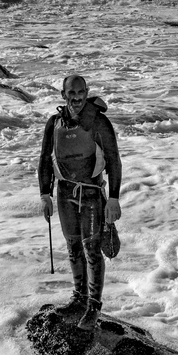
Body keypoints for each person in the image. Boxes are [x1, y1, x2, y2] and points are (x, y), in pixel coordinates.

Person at [38, 73, 122, 330]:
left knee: (91, 250)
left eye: (80, 93)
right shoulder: (54, 123)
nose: (76, 98)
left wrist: (114, 199)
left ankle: (94, 305)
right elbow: (44, 160)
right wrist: (45, 194)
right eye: (71, 93)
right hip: (64, 193)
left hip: (91, 195)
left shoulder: (99, 122)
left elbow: (114, 161)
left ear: (87, 93)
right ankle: (79, 298)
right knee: (73, 247)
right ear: (63, 95)